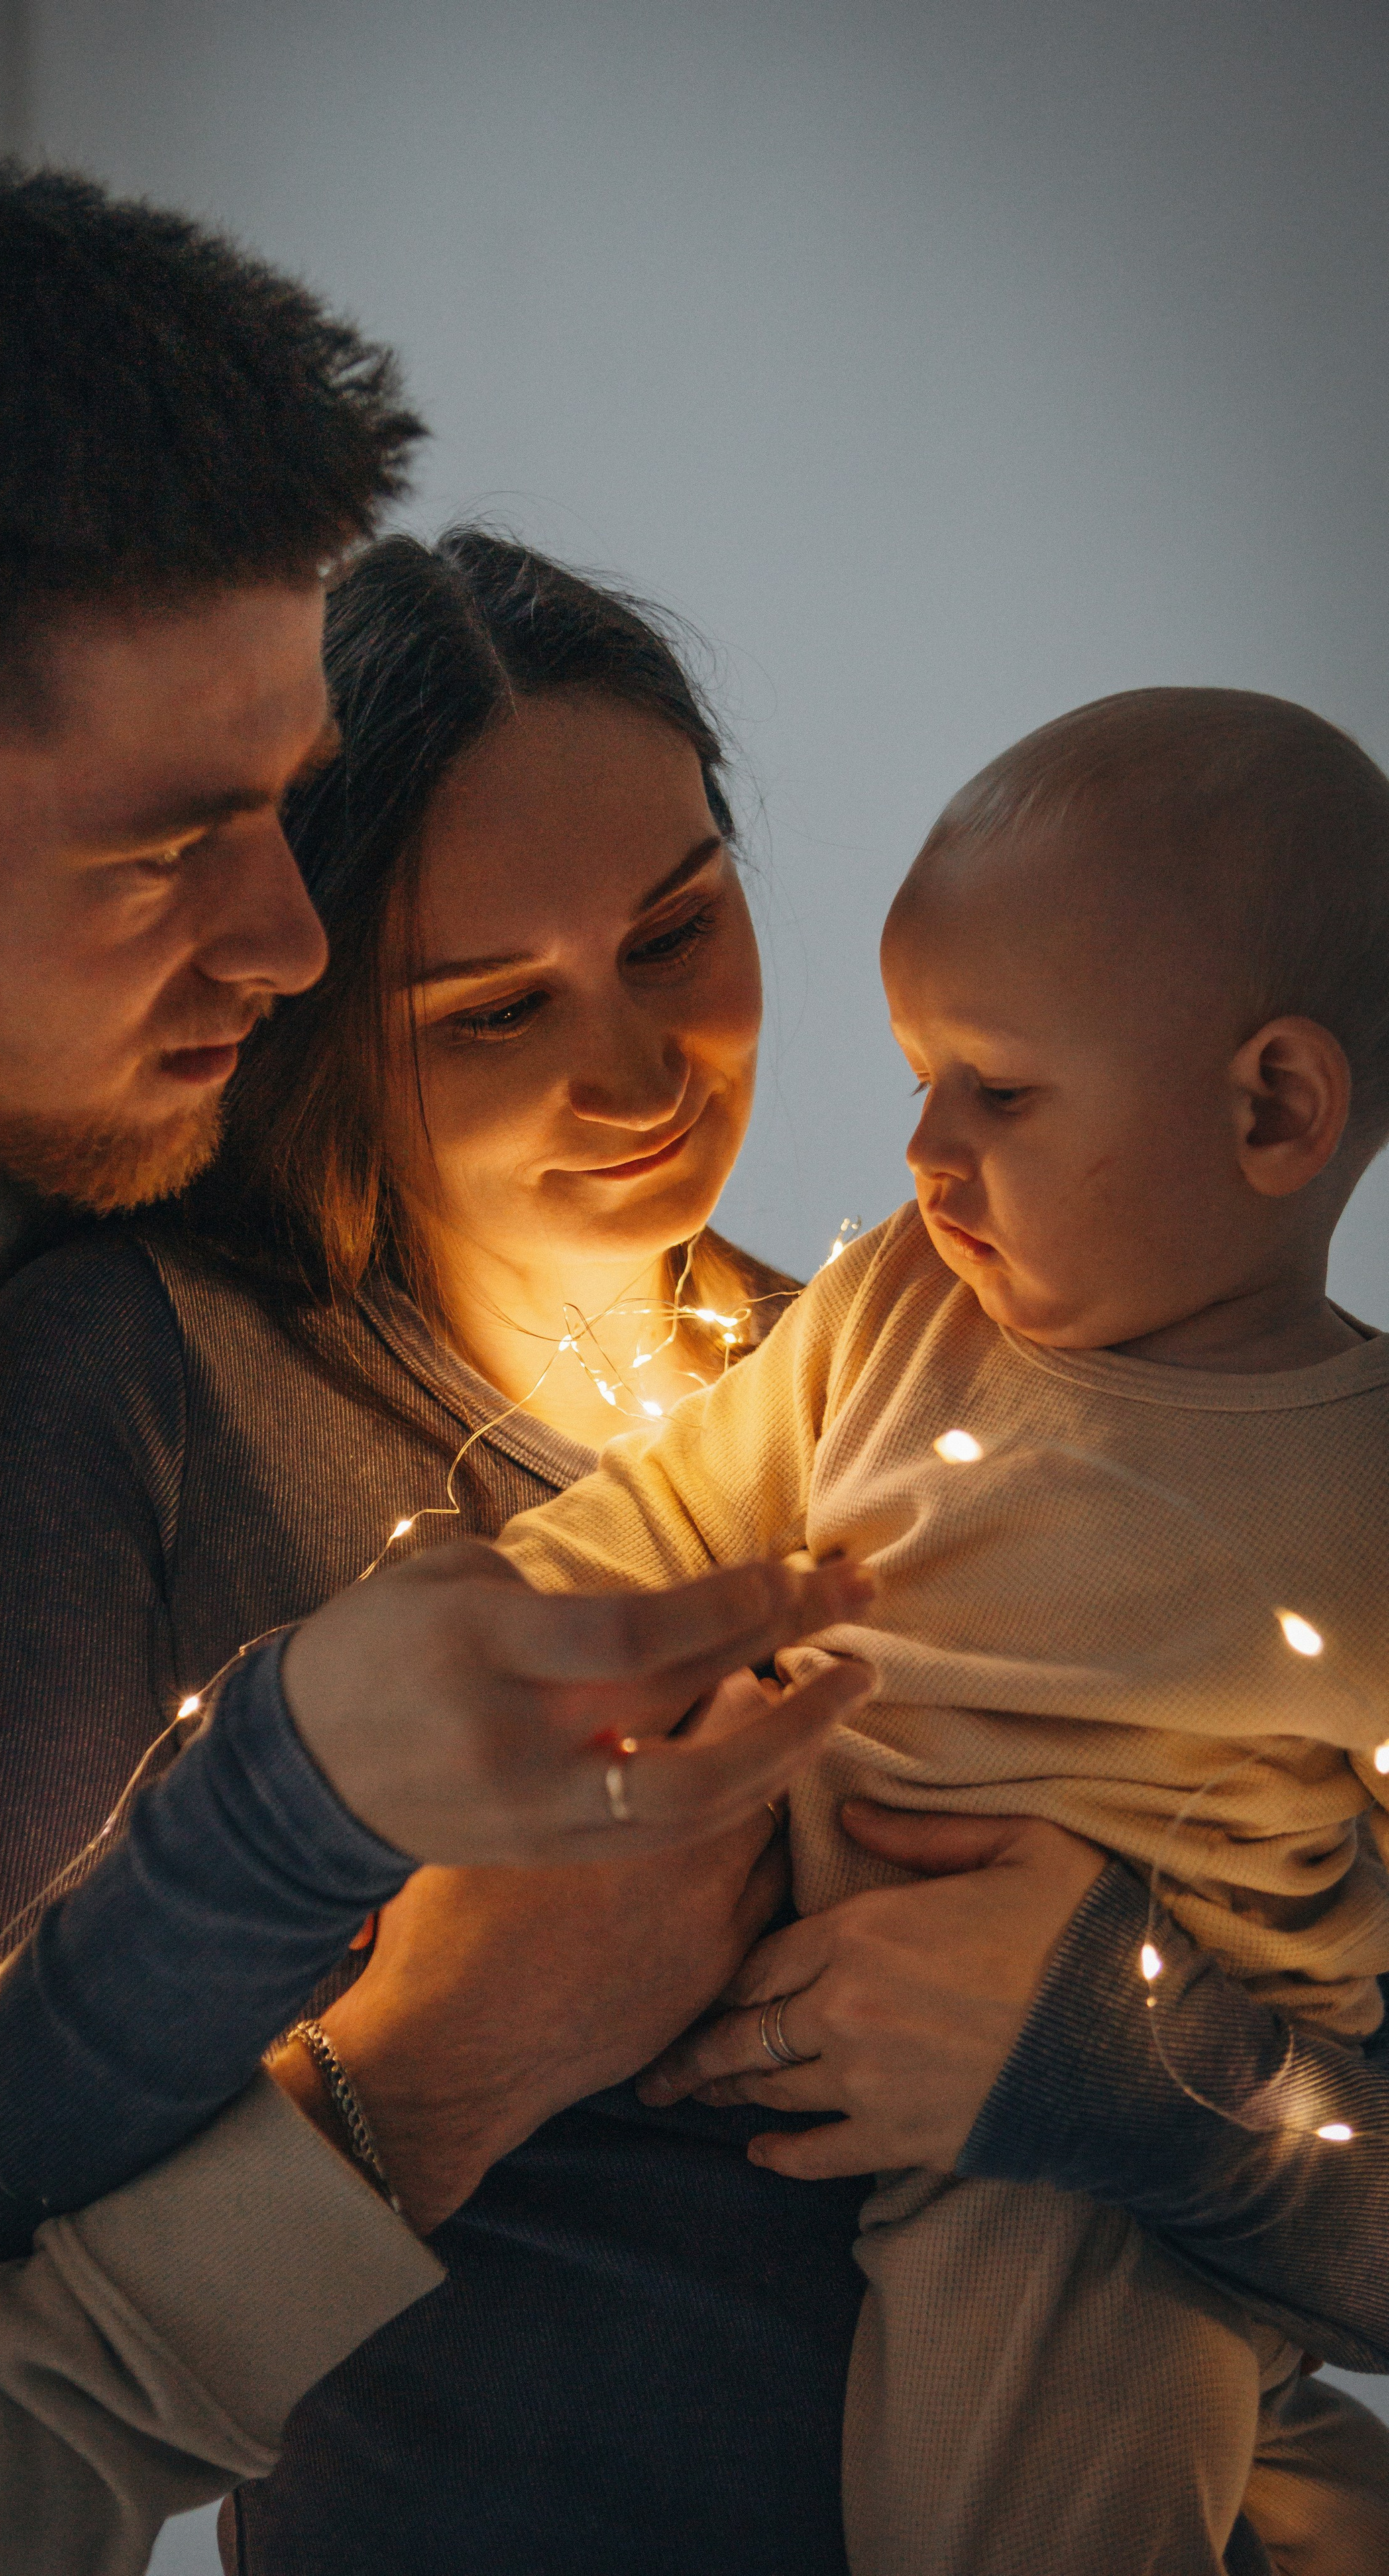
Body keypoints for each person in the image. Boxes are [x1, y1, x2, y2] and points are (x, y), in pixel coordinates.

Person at [0, 554, 1389, 2575]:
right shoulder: (153, 1383)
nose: (643, 1077)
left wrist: (1113, 2048)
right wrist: (413, 2064)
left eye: (678, 931)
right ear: (306, 1017)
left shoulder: (941, 1365)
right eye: (493, 1010)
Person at [0, 146, 864, 2576]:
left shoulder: (31, 1144)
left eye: (292, 807)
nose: (301, 947)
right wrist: (394, 2016)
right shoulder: (122, 1353)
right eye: (172, 843)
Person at [500, 686, 1389, 2574]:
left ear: (1273, 1107)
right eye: (917, 1074)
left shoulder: (1364, 1487)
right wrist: (504, 1635)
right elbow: (673, 1511)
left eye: (997, 1087)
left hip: (1081, 2190)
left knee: (1009, 2513)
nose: (923, 1145)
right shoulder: (902, 1305)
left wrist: (1159, 2065)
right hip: (833, 2044)